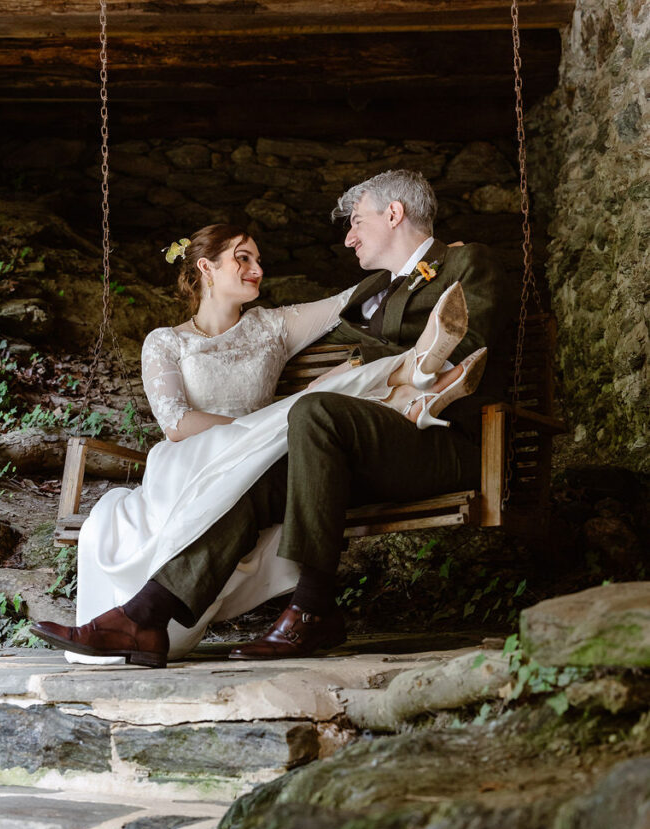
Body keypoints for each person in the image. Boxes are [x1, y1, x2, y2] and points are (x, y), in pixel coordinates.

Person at [32, 169, 508, 666]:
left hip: (431, 439)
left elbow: (474, 349)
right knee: (253, 479)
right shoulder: (370, 289)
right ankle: (144, 617)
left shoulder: (466, 262)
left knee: (315, 409)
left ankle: (312, 608)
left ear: (394, 214)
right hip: (353, 444)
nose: (348, 237)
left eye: (357, 222)